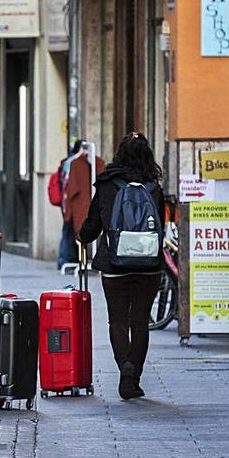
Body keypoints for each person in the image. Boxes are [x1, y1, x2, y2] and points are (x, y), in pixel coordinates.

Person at [77, 132, 165, 401]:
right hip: (149, 264)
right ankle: (133, 376)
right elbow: (160, 224)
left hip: (115, 263)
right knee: (140, 320)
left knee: (117, 318)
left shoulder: (106, 185)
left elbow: (94, 222)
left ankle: (124, 369)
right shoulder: (153, 187)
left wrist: (82, 236)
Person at [54, 140, 86, 270]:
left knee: (68, 231)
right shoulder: (73, 163)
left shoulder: (70, 162)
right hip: (70, 203)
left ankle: (67, 259)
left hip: (69, 203)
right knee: (68, 231)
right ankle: (64, 260)